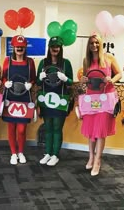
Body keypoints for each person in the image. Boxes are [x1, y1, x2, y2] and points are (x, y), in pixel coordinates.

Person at [80, 34, 122, 176]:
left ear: (101, 43)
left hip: (106, 98)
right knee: (91, 130)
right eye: (92, 43)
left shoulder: (109, 58)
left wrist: (112, 80)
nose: (94, 45)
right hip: (91, 98)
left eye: (97, 43)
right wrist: (83, 80)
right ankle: (91, 157)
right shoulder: (87, 60)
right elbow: (85, 80)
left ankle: (98, 160)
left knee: (101, 130)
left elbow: (119, 74)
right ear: (89, 45)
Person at [37, 36, 73, 166]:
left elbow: (70, 83)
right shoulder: (43, 63)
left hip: (61, 99)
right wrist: (40, 78)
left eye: (57, 46)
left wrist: (65, 79)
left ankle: (55, 154)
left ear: (60, 48)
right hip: (46, 99)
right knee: (48, 127)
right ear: (49, 48)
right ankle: (48, 153)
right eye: (53, 46)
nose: (55, 49)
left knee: (57, 127)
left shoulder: (66, 63)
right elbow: (37, 82)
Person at [2, 35, 36, 165]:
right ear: (13, 47)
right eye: (17, 46)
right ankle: (13, 153)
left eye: (21, 46)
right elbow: (3, 77)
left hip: (24, 97)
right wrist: (5, 83)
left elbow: (34, 78)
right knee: (11, 127)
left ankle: (21, 152)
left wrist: (31, 84)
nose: (19, 48)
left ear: (25, 47)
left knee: (22, 129)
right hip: (10, 97)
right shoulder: (7, 60)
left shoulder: (30, 62)